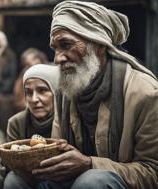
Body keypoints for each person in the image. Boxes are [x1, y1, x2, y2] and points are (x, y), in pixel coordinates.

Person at [31, 1, 158, 189]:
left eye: (66, 45)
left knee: (91, 182)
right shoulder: (64, 90)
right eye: (55, 48)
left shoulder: (145, 93)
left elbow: (153, 172)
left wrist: (90, 164)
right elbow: (58, 152)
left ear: (99, 45)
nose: (58, 58)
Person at [3, 64, 60, 189]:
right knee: (12, 180)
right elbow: (12, 165)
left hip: (62, 179)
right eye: (29, 92)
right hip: (29, 178)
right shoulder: (16, 123)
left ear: (56, 91)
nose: (34, 99)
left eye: (42, 90)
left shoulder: (67, 120)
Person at [13, 48, 49, 112]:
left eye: (35, 60)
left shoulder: (49, 72)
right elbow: (19, 101)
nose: (29, 67)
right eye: (27, 64)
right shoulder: (23, 76)